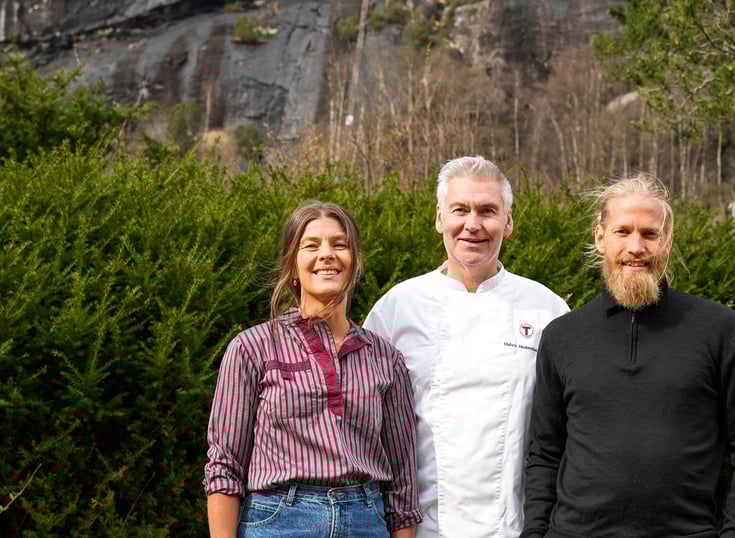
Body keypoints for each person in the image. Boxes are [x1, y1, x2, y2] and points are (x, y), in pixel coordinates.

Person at [522, 174, 735, 538]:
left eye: (650, 234)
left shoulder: (719, 329)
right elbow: (543, 452)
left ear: (667, 242)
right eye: (623, 232)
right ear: (599, 236)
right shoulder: (563, 336)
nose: (636, 247)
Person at [363, 156, 570, 537]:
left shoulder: (548, 310)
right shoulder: (395, 309)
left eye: (488, 211)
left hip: (515, 527)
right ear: (439, 218)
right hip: (420, 529)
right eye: (460, 210)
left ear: (507, 223)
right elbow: (365, 429)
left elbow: (566, 432)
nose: (472, 224)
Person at [204, 201, 422, 538]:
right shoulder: (251, 348)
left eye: (339, 244)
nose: (327, 255)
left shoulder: (386, 359)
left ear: (355, 262)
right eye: (311, 245)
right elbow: (224, 466)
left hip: (365, 521)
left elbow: (403, 480)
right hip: (277, 520)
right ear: (292, 265)